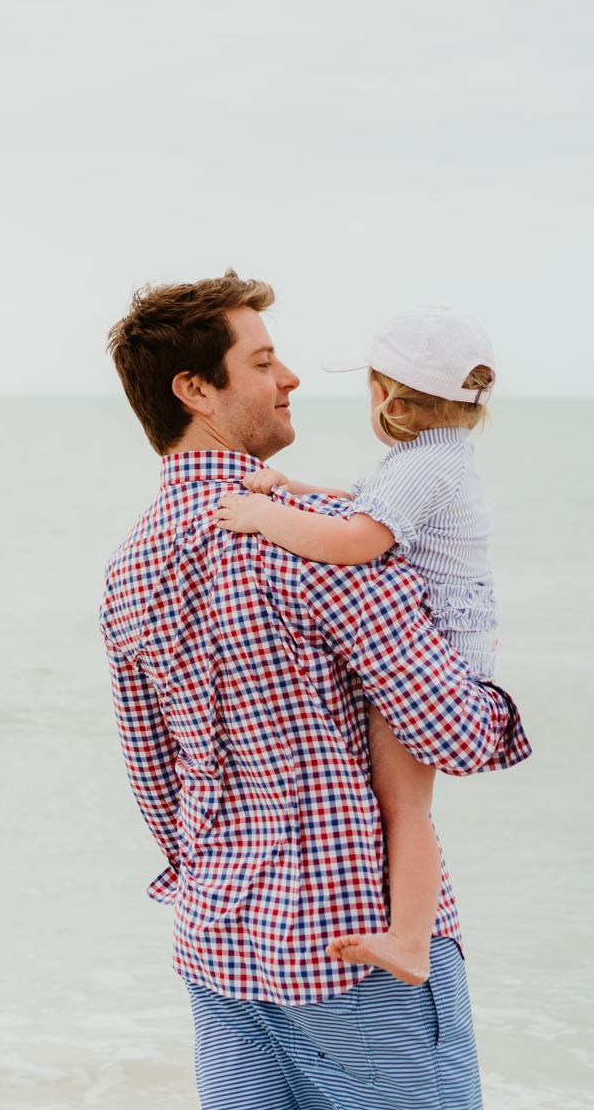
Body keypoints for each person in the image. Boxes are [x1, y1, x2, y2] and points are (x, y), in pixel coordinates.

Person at [100, 273, 528, 1109]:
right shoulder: (321, 558)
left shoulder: (127, 572)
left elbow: (155, 781)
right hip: (353, 949)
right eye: (263, 362)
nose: (290, 377)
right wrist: (496, 707)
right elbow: (458, 737)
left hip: (218, 947)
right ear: (196, 390)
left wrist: (218, 881)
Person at [210, 306, 500, 988]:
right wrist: (294, 488)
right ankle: (409, 937)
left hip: (436, 663)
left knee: (404, 807)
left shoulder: (420, 468)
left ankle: (408, 942)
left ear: (388, 400)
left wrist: (263, 516)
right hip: (449, 650)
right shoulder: (436, 460)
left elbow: (357, 540)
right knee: (402, 802)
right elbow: (356, 505)